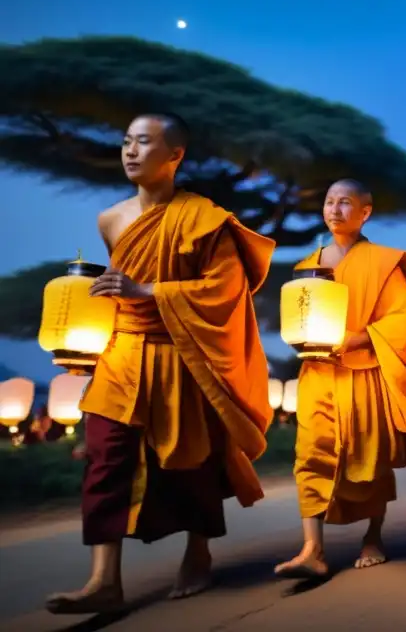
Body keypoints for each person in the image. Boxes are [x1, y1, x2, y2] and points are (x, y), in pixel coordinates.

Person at [45, 114, 275, 615]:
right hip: (123, 353)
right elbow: (114, 287)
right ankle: (104, 579)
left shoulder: (205, 218)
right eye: (125, 140)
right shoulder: (111, 219)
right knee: (106, 462)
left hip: (179, 356)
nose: (130, 150)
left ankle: (199, 550)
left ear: (174, 156)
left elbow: (226, 289)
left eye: (143, 142)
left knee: (188, 461)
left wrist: (148, 291)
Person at [274, 180, 406, 580]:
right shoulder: (307, 266)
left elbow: (403, 317)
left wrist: (356, 338)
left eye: (345, 203)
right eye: (329, 201)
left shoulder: (383, 261)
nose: (334, 209)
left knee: (368, 459)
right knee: (310, 454)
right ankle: (312, 548)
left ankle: (373, 535)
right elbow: (297, 317)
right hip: (318, 374)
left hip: (364, 372)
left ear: (366, 212)